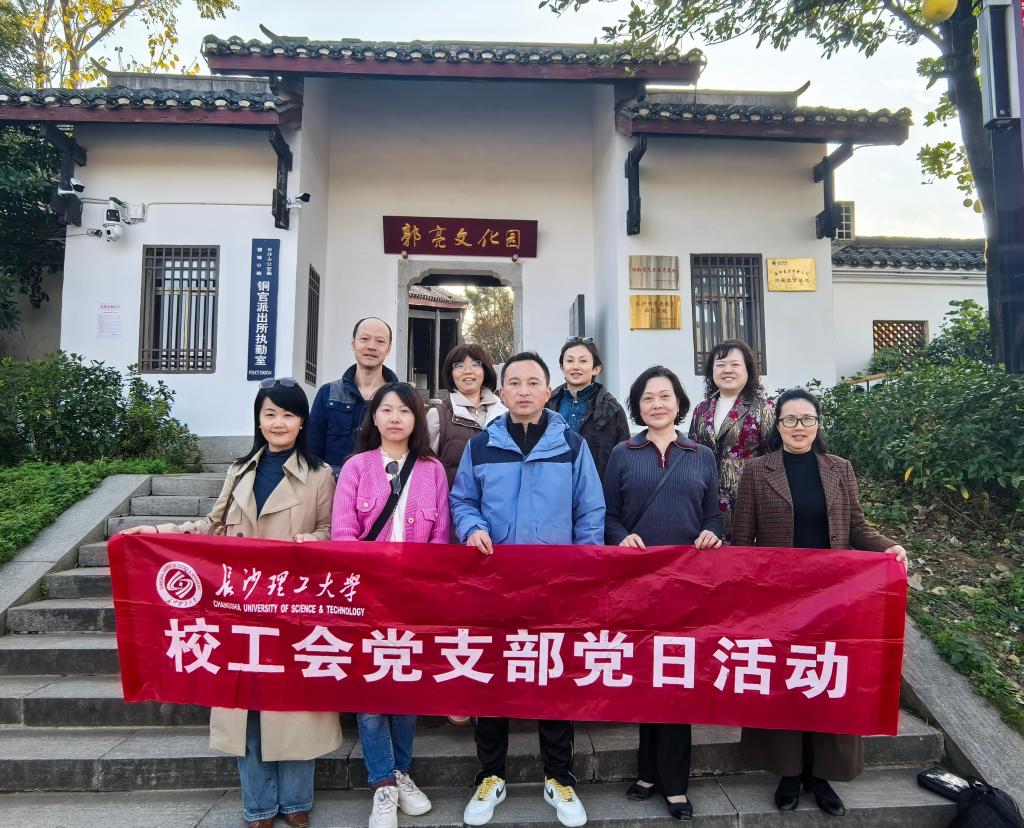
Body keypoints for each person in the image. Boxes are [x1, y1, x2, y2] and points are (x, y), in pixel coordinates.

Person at [119, 378, 340, 828]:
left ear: (302, 422)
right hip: (238, 606)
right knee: (247, 705)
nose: (278, 423)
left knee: (294, 704)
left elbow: (331, 531)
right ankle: (258, 805)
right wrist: (159, 533)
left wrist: (311, 542)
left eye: (288, 414)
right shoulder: (240, 471)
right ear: (258, 419)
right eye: (270, 414)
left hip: (291, 608)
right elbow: (211, 525)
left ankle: (296, 801)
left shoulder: (321, 474)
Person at [731, 387, 909, 818]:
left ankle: (822, 773)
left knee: (826, 680)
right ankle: (788, 772)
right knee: (785, 682)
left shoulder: (838, 468)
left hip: (833, 598)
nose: (799, 427)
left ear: (818, 424)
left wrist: (886, 547)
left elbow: (857, 527)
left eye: (807, 419)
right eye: (790, 419)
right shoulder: (757, 471)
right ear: (777, 425)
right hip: (778, 599)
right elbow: (742, 539)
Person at [450, 351, 605, 828]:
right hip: (494, 584)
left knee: (553, 679)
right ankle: (490, 775)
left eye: (532, 382)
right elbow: (462, 500)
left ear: (547, 390)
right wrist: (473, 527)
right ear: (501, 392)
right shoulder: (482, 445)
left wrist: (582, 573)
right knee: (491, 678)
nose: (522, 390)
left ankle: (558, 776)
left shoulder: (571, 444)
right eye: (513, 382)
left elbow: (589, 512)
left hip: (554, 586)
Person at [603, 365, 723, 822]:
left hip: (686, 587)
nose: (657, 404)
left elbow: (714, 515)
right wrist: (620, 538)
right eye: (648, 397)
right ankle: (648, 772)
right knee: (645, 678)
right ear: (638, 406)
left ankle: (675, 784)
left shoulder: (701, 455)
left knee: (676, 680)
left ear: (679, 403)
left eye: (665, 396)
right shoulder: (623, 453)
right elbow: (608, 515)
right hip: (637, 584)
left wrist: (712, 533)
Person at [332, 381, 449, 828]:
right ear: (374, 417)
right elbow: (344, 536)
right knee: (371, 692)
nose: (395, 417)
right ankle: (382, 782)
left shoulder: (433, 470)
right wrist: (369, 589)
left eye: (404, 410)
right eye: (386, 409)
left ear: (417, 418)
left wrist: (425, 593)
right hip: (368, 598)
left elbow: (440, 541)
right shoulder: (356, 467)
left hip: (414, 599)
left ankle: (402, 772)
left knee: (405, 687)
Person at [687, 339, 774, 540]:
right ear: (711, 371)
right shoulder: (701, 409)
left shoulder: (764, 408)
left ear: (748, 369)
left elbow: (773, 458)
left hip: (748, 501)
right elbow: (691, 454)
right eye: (720, 365)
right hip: (706, 502)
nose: (727, 370)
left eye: (735, 364)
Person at [307, 317, 399, 473]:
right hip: (333, 484)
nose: (371, 346)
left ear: (389, 349)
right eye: (364, 339)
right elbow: (312, 451)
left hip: (382, 484)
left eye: (380, 341)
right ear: (353, 343)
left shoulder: (400, 397)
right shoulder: (328, 393)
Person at [546, 336, 630, 480]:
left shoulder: (611, 409)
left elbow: (624, 460)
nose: (575, 366)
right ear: (562, 367)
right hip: (553, 485)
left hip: (596, 487)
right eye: (570, 361)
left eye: (583, 361)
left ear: (596, 368)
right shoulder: (547, 404)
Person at [426, 342, 506, 487]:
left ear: (485, 370)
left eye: (475, 364)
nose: (467, 371)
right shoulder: (438, 416)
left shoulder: (505, 413)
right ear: (451, 373)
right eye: (459, 365)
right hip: (454, 500)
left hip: (498, 499)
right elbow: (425, 469)